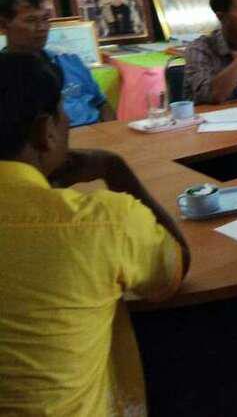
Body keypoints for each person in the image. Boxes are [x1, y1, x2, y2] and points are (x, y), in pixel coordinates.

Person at [0, 53, 190, 415]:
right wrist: (116, 171)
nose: (69, 120)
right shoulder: (102, 223)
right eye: (62, 110)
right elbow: (172, 272)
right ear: (45, 131)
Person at [0, 0, 115, 126]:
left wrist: (111, 132)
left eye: (45, 19)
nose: (42, 28)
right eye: (31, 20)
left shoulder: (69, 61)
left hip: (97, 132)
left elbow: (101, 103)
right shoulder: (5, 75)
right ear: (3, 25)